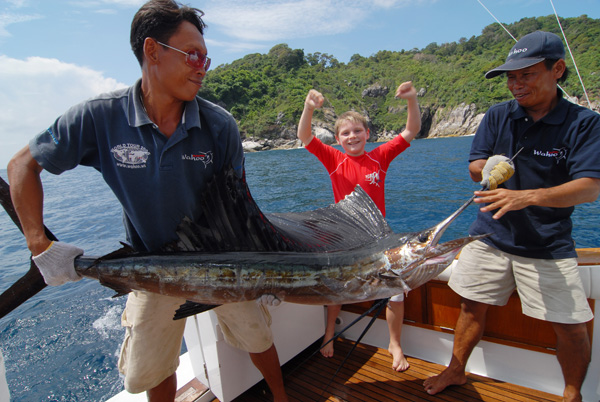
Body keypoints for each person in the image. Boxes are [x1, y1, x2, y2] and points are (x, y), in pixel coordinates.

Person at [6, 1, 288, 401]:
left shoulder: (220, 125)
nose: (201, 67)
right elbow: (21, 166)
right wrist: (39, 245)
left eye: (206, 59)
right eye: (193, 55)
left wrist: (268, 268)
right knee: (154, 367)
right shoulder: (99, 117)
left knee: (258, 336)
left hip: (225, 261)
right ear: (152, 50)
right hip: (151, 264)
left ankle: (281, 397)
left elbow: (241, 207)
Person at [423, 31, 600, 402]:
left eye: (526, 75)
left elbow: (589, 187)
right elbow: (475, 165)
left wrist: (526, 197)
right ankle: (456, 371)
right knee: (471, 307)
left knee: (570, 326)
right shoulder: (498, 115)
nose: (515, 85)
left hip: (547, 242)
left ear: (558, 70)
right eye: (510, 77)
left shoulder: (585, 124)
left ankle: (572, 394)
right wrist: (490, 168)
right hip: (488, 236)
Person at [297, 82, 421, 371]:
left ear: (367, 134)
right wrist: (308, 107)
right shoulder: (333, 159)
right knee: (337, 290)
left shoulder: (379, 157)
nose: (352, 136)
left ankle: (395, 343)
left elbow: (411, 130)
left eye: (357, 131)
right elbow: (304, 136)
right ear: (338, 139)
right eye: (345, 133)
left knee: (396, 291)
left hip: (379, 236)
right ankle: (329, 335)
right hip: (345, 237)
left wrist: (412, 100)